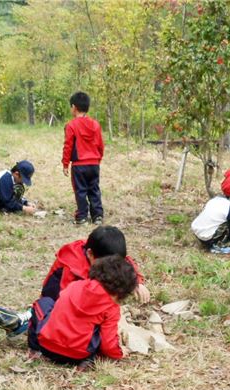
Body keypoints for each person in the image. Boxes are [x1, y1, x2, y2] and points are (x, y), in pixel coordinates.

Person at [29, 255, 137, 368]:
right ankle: (88, 361)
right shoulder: (111, 308)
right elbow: (108, 344)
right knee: (99, 329)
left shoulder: (75, 285)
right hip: (78, 356)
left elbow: (59, 307)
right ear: (122, 292)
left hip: (47, 347)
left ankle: (34, 349)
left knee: (44, 303)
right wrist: (119, 353)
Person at [41, 225, 150, 304]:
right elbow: (64, 302)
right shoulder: (71, 268)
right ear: (90, 254)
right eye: (108, 265)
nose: (112, 268)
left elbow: (125, 262)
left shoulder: (103, 251)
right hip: (56, 304)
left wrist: (136, 282)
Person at [62, 91, 104, 226]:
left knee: (80, 191)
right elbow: (100, 145)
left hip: (79, 165)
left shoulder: (71, 125)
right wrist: (98, 159)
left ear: (74, 107)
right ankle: (97, 216)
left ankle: (82, 217)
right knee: (94, 189)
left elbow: (68, 145)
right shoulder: (95, 125)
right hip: (94, 164)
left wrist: (65, 163)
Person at [191, 188, 230, 255]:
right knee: (229, 226)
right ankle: (217, 246)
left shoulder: (218, 199)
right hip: (207, 238)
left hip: (197, 232)